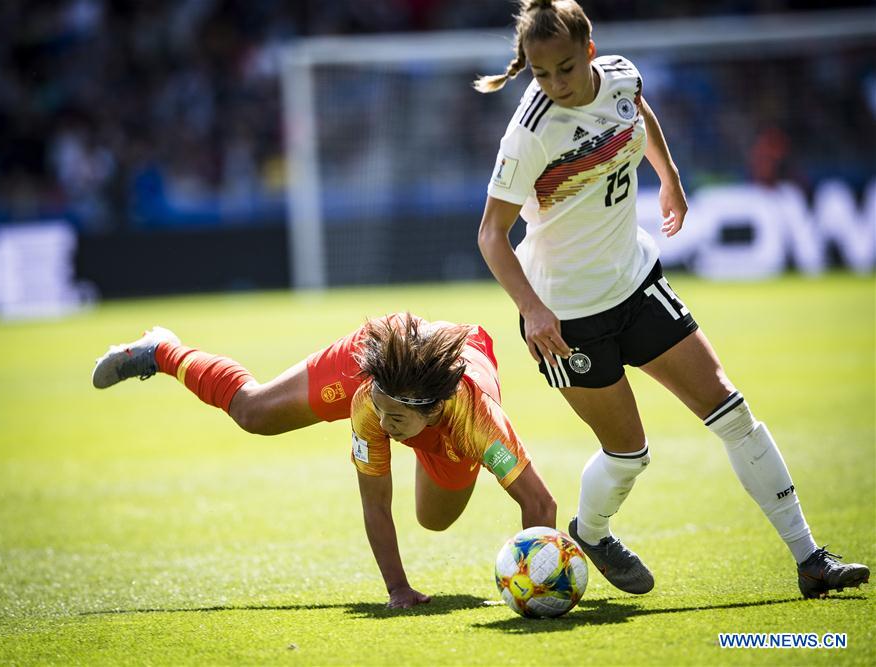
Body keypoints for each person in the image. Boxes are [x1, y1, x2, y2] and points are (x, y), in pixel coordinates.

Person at [474, 0, 868, 598]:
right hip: (567, 319)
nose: (553, 84)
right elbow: (490, 235)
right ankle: (593, 532)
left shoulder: (622, 75)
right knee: (629, 455)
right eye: (539, 72)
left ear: (588, 51)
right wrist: (532, 309)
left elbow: (641, 113)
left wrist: (672, 181)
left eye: (563, 69)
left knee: (731, 411)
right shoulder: (529, 132)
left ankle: (810, 558)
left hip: (636, 284)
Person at [92, 313, 557, 608]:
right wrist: (397, 589)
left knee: (434, 520)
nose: (380, 420)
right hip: (382, 358)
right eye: (379, 409)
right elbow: (375, 503)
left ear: (432, 413)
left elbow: (540, 504)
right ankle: (162, 348)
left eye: (394, 417)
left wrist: (538, 577)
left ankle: (425, 438)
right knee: (254, 413)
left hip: (448, 412)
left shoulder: (476, 422)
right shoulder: (368, 402)